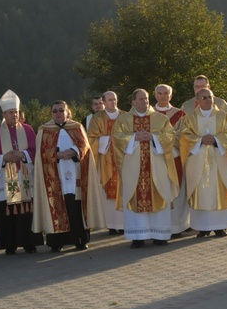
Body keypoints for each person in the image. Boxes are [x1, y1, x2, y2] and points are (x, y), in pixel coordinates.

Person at [32, 100, 105, 252]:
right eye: (55, 111)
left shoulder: (77, 127)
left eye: (61, 110)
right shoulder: (44, 129)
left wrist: (73, 151)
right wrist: (56, 154)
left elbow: (85, 146)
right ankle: (56, 242)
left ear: (67, 112)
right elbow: (40, 153)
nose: (58, 113)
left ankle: (80, 240)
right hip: (55, 174)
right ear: (51, 113)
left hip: (76, 173)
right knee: (57, 205)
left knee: (76, 206)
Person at [112, 89, 179, 248]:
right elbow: (116, 137)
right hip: (133, 168)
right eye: (141, 99)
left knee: (159, 193)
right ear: (133, 102)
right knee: (135, 196)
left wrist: (153, 137)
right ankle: (138, 237)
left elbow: (170, 136)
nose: (145, 102)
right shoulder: (124, 119)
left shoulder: (160, 118)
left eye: (147, 99)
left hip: (156, 167)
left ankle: (160, 235)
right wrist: (134, 137)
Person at [0, 90, 42, 255]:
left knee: (26, 209)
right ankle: (10, 244)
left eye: (16, 112)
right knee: (8, 209)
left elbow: (35, 150)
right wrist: (4, 157)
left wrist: (23, 155)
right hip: (6, 178)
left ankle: (29, 242)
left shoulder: (28, 129)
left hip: (24, 176)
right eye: (11, 112)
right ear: (3, 114)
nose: (14, 115)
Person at [180, 88, 227, 238]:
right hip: (198, 162)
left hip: (219, 161)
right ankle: (202, 227)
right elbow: (184, 136)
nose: (208, 100)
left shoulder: (223, 116)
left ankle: (221, 227)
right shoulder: (191, 118)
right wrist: (200, 140)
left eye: (210, 97)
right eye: (204, 98)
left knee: (219, 190)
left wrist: (215, 139)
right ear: (198, 101)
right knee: (200, 191)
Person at [153, 84, 189, 237]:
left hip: (174, 156)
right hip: (154, 157)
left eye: (165, 93)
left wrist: (168, 145)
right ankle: (157, 226)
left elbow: (184, 134)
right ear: (155, 95)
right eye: (159, 93)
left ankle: (176, 226)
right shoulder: (148, 113)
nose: (162, 96)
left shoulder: (179, 114)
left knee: (176, 190)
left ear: (170, 96)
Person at [87, 91, 125, 235]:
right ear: (104, 102)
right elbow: (90, 139)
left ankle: (124, 223)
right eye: (109, 100)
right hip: (105, 161)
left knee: (123, 189)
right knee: (107, 192)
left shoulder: (125, 116)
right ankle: (111, 224)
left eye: (114, 99)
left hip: (123, 160)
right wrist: (106, 139)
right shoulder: (97, 118)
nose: (113, 102)